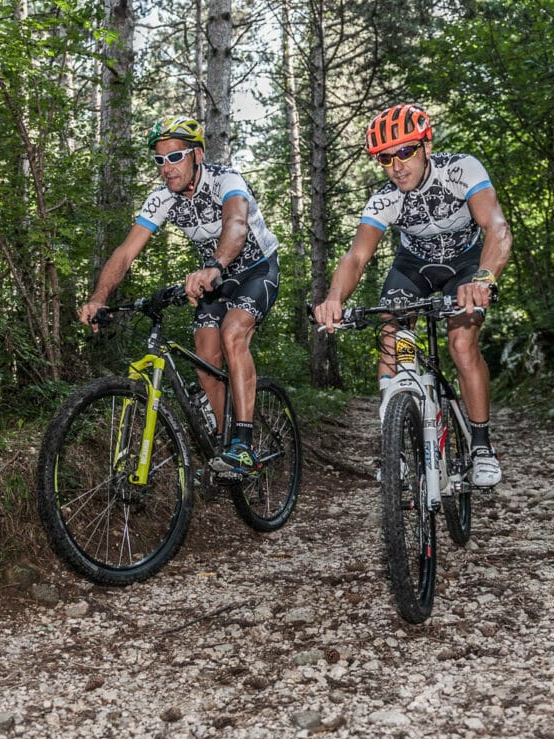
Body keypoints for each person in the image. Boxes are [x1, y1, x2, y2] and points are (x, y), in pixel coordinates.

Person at [313, 104, 512, 488]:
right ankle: (396, 449)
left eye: (405, 151)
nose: (396, 165)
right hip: (413, 268)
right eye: (385, 158)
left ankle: (482, 445)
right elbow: (356, 256)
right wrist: (334, 297)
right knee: (392, 332)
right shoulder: (385, 199)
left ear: (426, 146)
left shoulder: (461, 170)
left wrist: (484, 278)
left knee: (461, 342)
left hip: (465, 266)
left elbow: (497, 227)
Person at [78, 116, 281, 476]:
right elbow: (125, 253)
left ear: (197, 155)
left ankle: (244, 444)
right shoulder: (162, 199)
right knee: (205, 358)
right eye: (159, 160)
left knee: (233, 334)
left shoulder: (226, 180)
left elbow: (235, 224)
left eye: (175, 157)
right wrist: (98, 296)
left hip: (255, 271)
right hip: (215, 281)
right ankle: (224, 443)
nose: (166, 168)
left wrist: (215, 265)